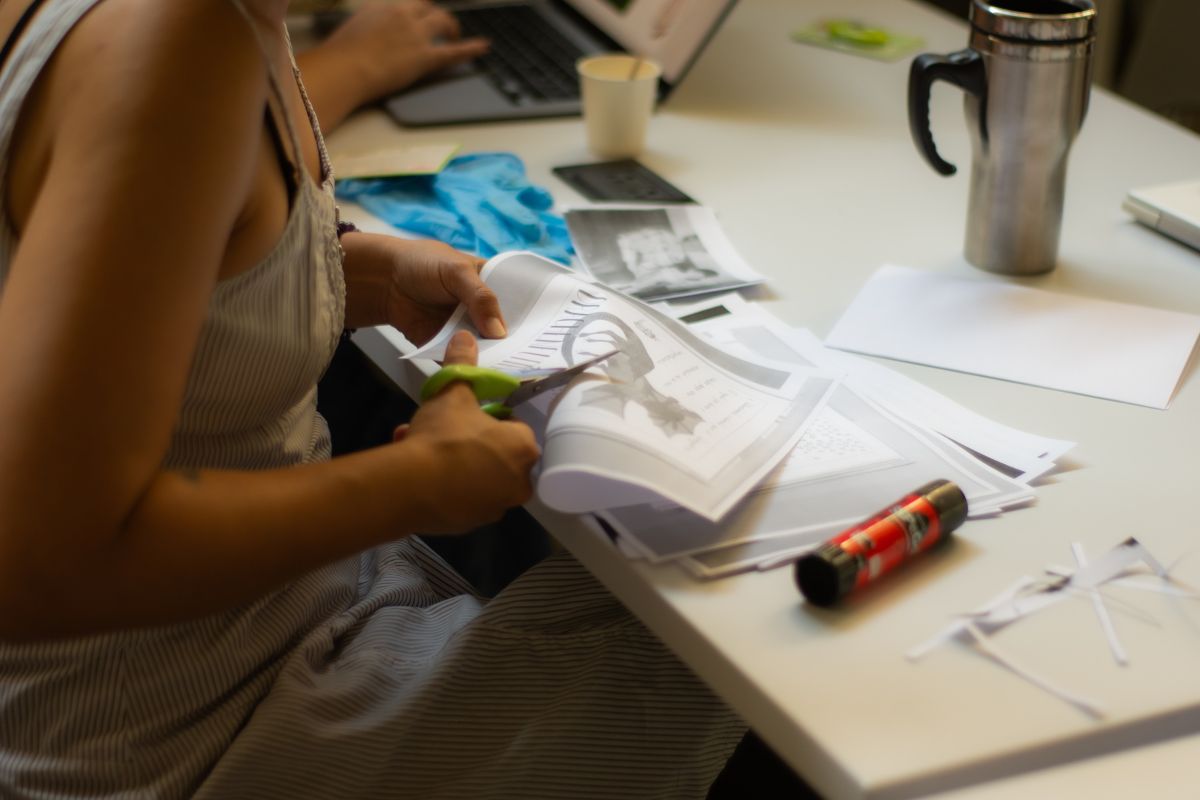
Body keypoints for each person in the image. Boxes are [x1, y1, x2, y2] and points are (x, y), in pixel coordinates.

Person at [0, 1, 747, 798]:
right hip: (172, 743)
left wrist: (343, 266)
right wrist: (415, 485)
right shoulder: (179, 35)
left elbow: (114, 265)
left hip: (248, 639)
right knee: (737, 644)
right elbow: (43, 565)